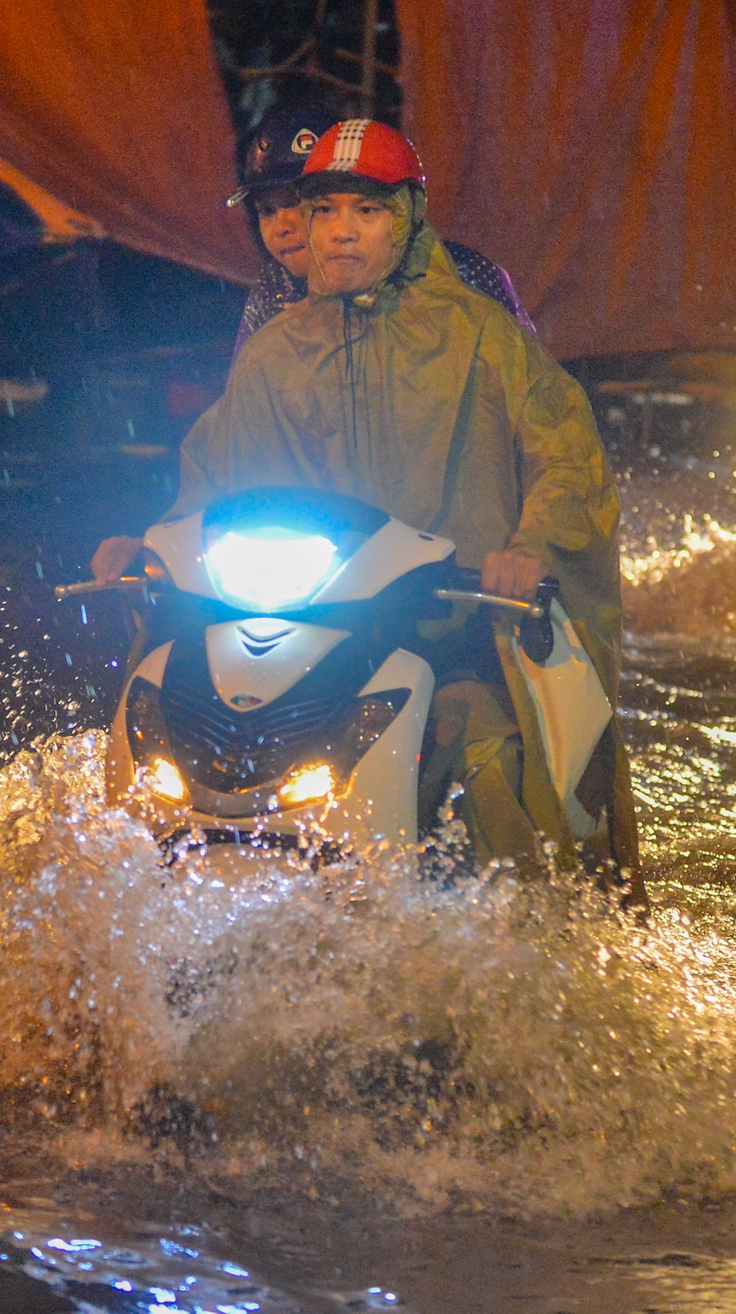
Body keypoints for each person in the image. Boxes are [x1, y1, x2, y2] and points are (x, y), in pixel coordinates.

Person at [91, 121, 636, 899]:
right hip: (307, 627)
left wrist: (532, 546)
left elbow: (567, 459)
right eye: (323, 211)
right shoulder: (274, 349)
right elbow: (208, 476)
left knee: (479, 750)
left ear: (408, 218)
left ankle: (524, 952)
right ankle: (131, 912)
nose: (341, 230)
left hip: (447, 626)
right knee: (161, 727)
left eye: (367, 211)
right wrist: (151, 545)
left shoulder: (483, 336)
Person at [227, 105, 534, 357]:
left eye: (301, 204)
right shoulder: (272, 291)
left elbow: (533, 403)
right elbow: (242, 410)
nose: (282, 226)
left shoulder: (466, 276)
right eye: (267, 211)